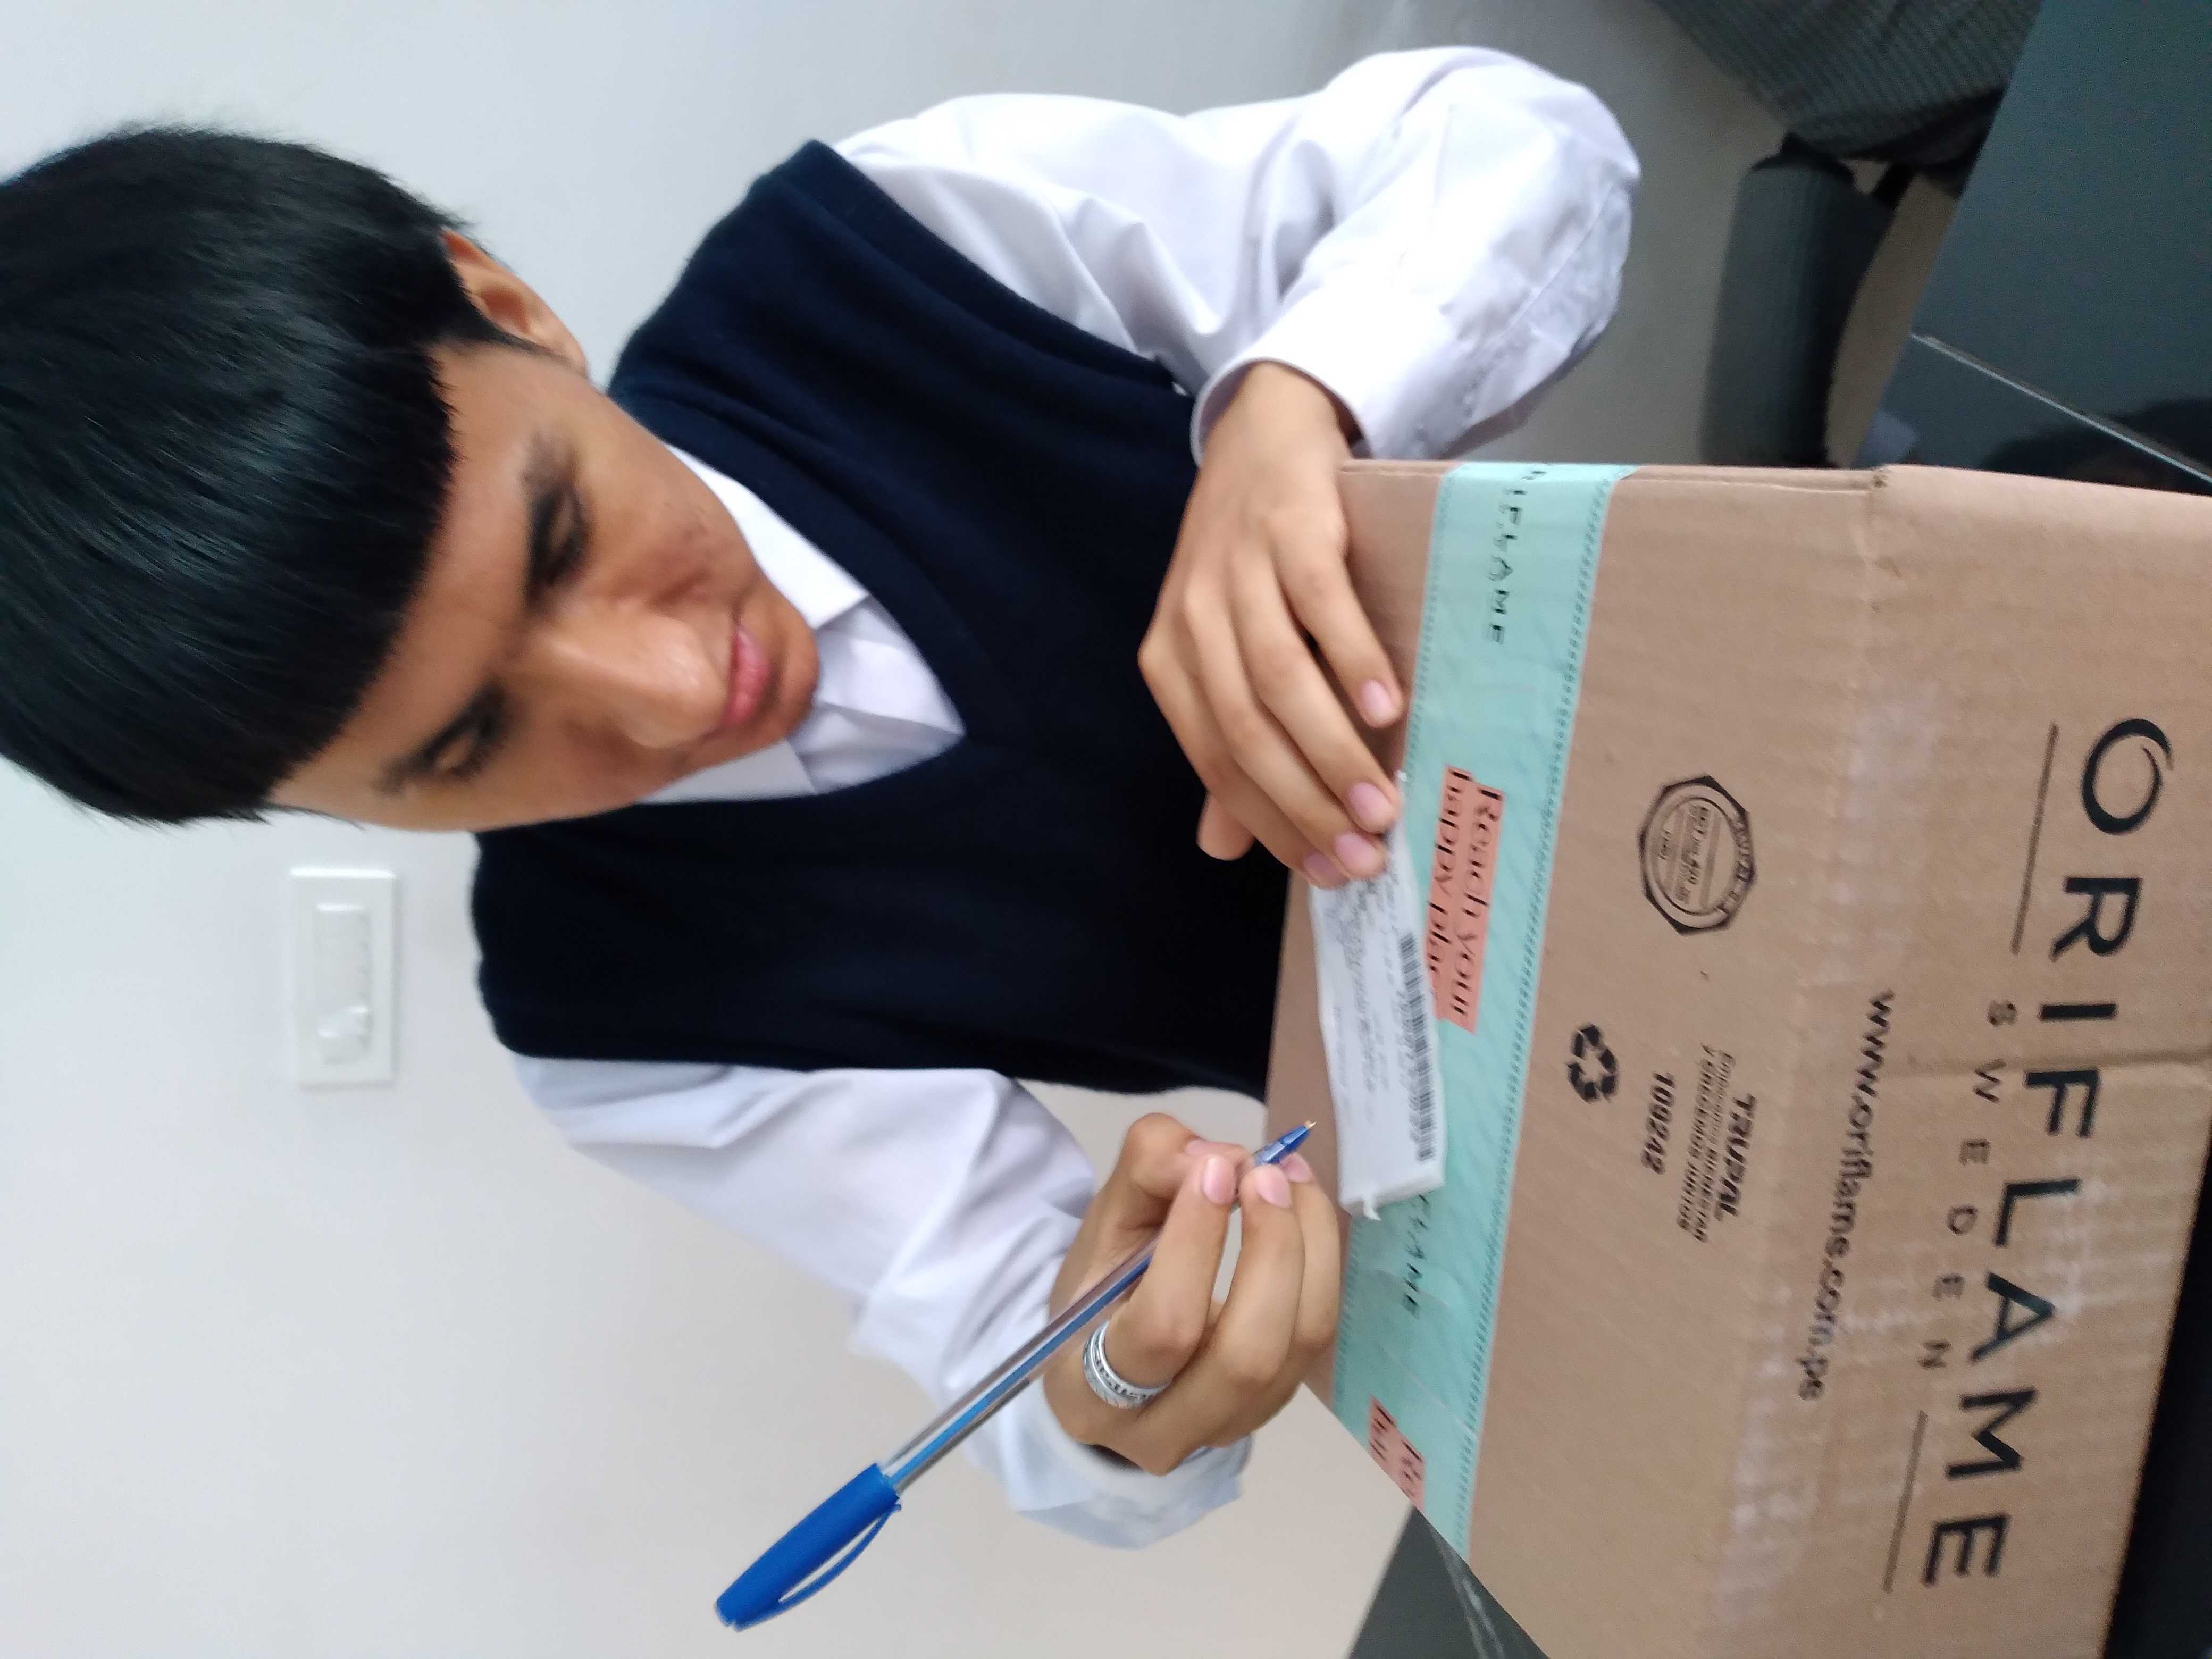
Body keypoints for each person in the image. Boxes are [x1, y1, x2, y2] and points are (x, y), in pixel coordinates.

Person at [0, 47, 1635, 1546]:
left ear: (504, 304)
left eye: (563, 539)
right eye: (471, 744)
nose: (669, 696)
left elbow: (1528, 143)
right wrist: (1117, 1384)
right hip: (1604, 1144)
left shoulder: (890, 256)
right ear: (336, 814)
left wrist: (1297, 400)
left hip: (1691, 729)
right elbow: (1036, 1378)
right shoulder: (614, 1016)